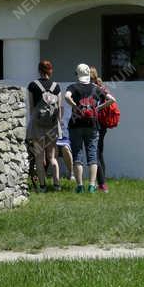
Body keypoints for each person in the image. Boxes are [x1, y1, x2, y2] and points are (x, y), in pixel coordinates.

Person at [65, 63, 115, 194]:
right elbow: (111, 99)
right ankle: (92, 185)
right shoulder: (96, 88)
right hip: (92, 125)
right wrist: (97, 108)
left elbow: (66, 97)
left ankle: (80, 185)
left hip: (75, 125)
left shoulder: (73, 87)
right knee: (92, 155)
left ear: (77, 74)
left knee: (77, 154)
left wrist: (75, 106)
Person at [27, 60, 63, 192]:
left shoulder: (32, 85)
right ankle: (57, 184)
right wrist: (57, 124)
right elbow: (59, 107)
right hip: (52, 126)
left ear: (39, 70)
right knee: (52, 157)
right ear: (50, 70)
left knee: (39, 157)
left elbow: (31, 108)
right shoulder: (56, 86)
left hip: (37, 126)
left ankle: (42, 186)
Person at [89, 66, 115, 193]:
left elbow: (112, 100)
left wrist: (97, 109)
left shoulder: (96, 89)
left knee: (96, 153)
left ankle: (102, 184)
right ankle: (102, 181)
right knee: (99, 152)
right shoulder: (101, 87)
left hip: (97, 124)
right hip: (103, 125)